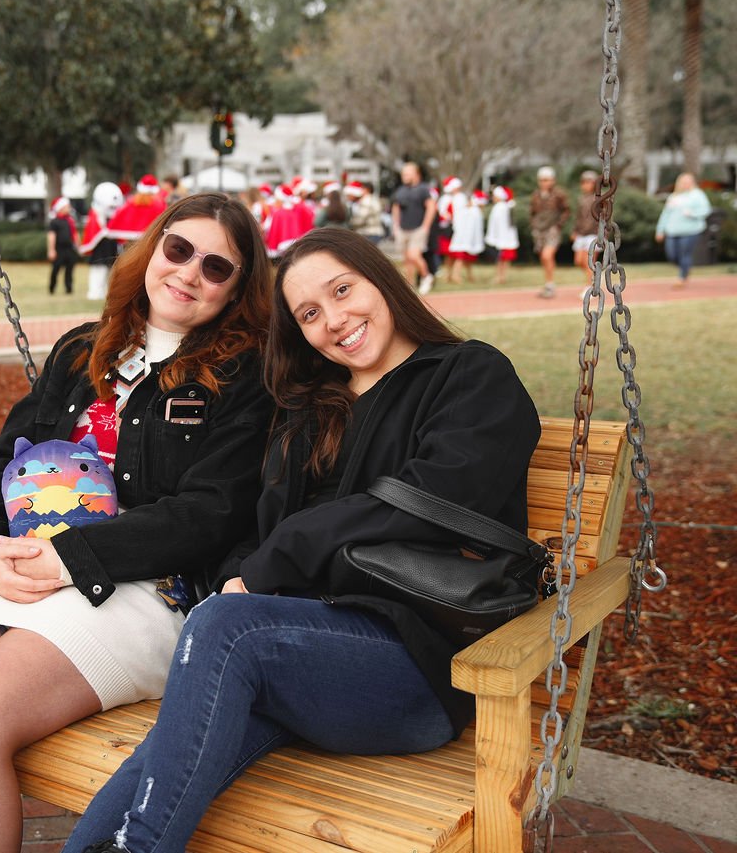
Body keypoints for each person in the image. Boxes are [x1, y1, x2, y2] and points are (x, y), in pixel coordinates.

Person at [63, 227, 541, 853]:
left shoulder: (468, 375)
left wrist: (273, 564)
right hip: (290, 658)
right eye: (310, 314)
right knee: (164, 756)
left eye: (344, 291)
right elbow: (258, 531)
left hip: (417, 664)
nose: (335, 320)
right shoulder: (314, 409)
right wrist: (246, 569)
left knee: (224, 630)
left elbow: (435, 503)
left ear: (383, 281)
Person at [0, 192, 275, 853]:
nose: (189, 273)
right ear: (151, 249)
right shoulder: (84, 350)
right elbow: (4, 459)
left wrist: (72, 556)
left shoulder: (241, 376)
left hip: (143, 589)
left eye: (216, 267)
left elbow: (209, 513)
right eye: (179, 249)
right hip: (23, 564)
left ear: (238, 288)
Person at [655, 172, 711, 289]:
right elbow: (665, 214)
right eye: (684, 181)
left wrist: (693, 213)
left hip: (690, 231)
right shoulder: (674, 196)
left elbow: (706, 210)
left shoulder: (697, 195)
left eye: (688, 181)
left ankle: (682, 277)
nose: (686, 184)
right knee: (672, 256)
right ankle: (685, 268)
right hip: (672, 231)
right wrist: (660, 230)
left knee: (685, 254)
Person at [391, 162, 438, 295]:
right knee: (407, 260)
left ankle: (426, 276)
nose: (404, 176)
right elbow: (396, 207)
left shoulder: (423, 189)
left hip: (418, 228)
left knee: (414, 255)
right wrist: (396, 225)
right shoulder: (401, 190)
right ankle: (410, 286)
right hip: (403, 228)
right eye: (403, 174)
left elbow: (431, 207)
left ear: (416, 174)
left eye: (407, 173)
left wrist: (426, 226)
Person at [529, 166, 570, 298]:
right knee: (543, 258)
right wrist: (534, 224)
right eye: (541, 180)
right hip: (539, 230)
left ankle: (551, 284)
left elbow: (566, 210)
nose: (544, 183)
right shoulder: (536, 194)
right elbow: (532, 212)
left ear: (553, 180)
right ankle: (548, 284)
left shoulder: (559, 194)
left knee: (547, 255)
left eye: (546, 180)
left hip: (552, 229)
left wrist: (558, 225)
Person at [80, 182, 125, 301]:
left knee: (111, 271)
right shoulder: (95, 214)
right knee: (98, 271)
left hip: (111, 247)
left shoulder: (115, 215)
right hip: (99, 248)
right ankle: (95, 293)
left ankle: (108, 293)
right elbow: (94, 231)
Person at [447, 189, 487, 284]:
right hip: (465, 240)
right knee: (460, 258)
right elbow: (472, 229)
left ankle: (469, 276)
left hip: (463, 239)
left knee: (466, 259)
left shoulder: (469, 210)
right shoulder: (475, 211)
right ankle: (455, 275)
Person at [571, 170, 600, 296]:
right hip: (582, 233)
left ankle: (590, 286)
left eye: (589, 182)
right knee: (578, 260)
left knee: (589, 261)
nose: (586, 185)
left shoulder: (600, 199)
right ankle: (595, 276)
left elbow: (605, 218)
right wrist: (575, 230)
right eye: (584, 182)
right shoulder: (580, 199)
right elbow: (578, 217)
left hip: (594, 234)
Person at [485, 185, 519, 285]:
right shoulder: (505, 207)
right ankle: (501, 276)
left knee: (502, 258)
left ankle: (500, 276)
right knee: (502, 259)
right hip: (504, 237)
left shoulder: (501, 207)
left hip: (503, 238)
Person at [46, 196, 80, 295]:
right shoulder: (54, 222)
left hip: (69, 248)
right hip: (59, 249)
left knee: (69, 269)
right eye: (67, 206)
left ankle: (68, 288)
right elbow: (51, 236)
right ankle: (52, 288)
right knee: (56, 269)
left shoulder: (70, 220)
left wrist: (78, 246)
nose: (69, 208)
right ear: (60, 208)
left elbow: (74, 233)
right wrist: (51, 250)